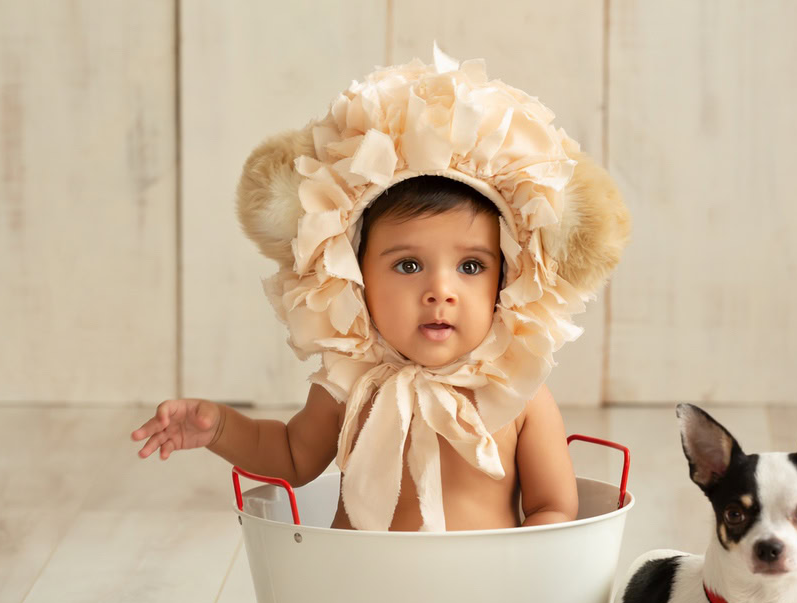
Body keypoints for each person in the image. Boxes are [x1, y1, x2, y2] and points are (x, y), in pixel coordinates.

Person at [131, 47, 629, 532]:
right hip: (363, 591)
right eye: (409, 264)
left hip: (484, 597)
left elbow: (554, 507)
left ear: (507, 281)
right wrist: (219, 427)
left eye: (471, 266)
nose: (440, 290)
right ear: (355, 278)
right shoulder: (352, 383)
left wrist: (519, 561)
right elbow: (289, 458)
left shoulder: (517, 392)